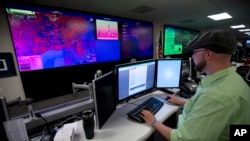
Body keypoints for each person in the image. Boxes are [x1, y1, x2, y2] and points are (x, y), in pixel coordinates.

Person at [140, 29, 250, 141]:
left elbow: (182, 139)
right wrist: (181, 101)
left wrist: (153, 121)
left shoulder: (216, 96)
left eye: (195, 52)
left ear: (208, 54)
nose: (192, 57)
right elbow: (206, 106)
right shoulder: (231, 79)